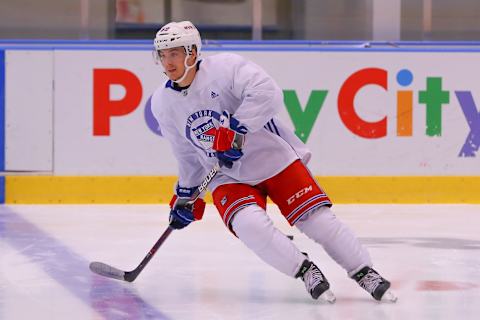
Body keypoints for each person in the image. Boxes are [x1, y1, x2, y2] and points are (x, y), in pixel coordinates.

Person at [150, 20, 397, 303]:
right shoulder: (162, 103)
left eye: (174, 53)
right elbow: (186, 152)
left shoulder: (225, 68)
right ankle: (305, 270)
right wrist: (187, 193)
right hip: (226, 176)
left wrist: (235, 131)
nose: (167, 61)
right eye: (163, 54)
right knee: (250, 227)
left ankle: (364, 271)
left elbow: (267, 92)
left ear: (192, 52)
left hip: (272, 158)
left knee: (319, 222)